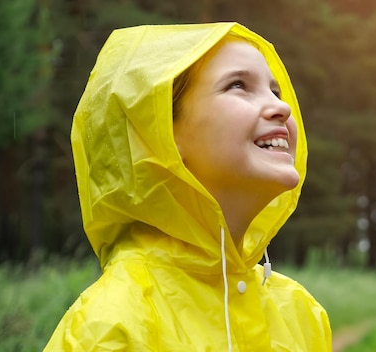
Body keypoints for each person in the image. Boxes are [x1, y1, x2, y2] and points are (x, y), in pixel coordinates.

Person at [44, 22, 332, 351]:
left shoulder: (301, 314)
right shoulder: (111, 327)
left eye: (276, 91)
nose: (282, 108)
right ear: (160, 133)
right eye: (238, 85)